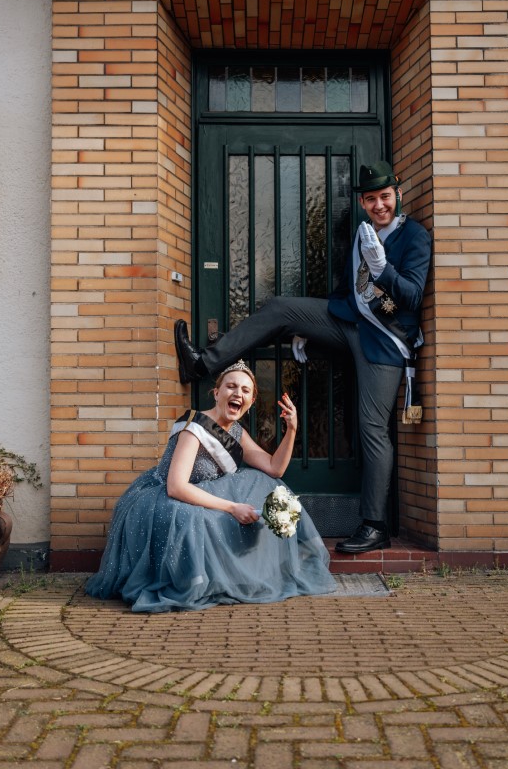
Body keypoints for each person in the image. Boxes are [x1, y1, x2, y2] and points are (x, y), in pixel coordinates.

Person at [175, 160, 431, 555]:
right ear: (362, 203)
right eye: (371, 199)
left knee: (372, 430)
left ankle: (375, 524)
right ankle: (203, 364)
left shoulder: (414, 236)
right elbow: (349, 293)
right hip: (350, 323)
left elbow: (412, 297)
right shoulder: (363, 231)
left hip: (384, 342)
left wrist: (382, 268)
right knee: (281, 308)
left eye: (385, 197)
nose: (379, 205)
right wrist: (311, 330)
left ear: (397, 195)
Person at [85, 361, 336, 612]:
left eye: (245, 390)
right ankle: (195, 583)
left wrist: (291, 429)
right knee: (192, 518)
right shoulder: (194, 428)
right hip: (169, 496)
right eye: (231, 387)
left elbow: (274, 468)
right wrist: (232, 507)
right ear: (217, 393)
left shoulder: (236, 431)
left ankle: (243, 576)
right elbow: (176, 487)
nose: (238, 393)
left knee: (267, 483)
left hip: (207, 491)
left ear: (251, 402)